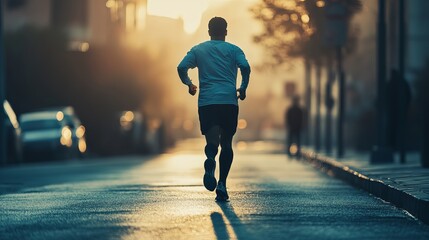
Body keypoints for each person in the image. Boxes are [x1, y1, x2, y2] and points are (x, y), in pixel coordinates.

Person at [177, 17, 251, 201]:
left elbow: (181, 67)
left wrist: (190, 84)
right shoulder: (235, 50)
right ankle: (222, 184)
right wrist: (243, 87)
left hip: (207, 102)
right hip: (228, 101)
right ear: (226, 31)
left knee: (212, 142)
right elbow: (246, 67)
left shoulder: (198, 49)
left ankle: (210, 159)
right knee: (227, 144)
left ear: (208, 31)